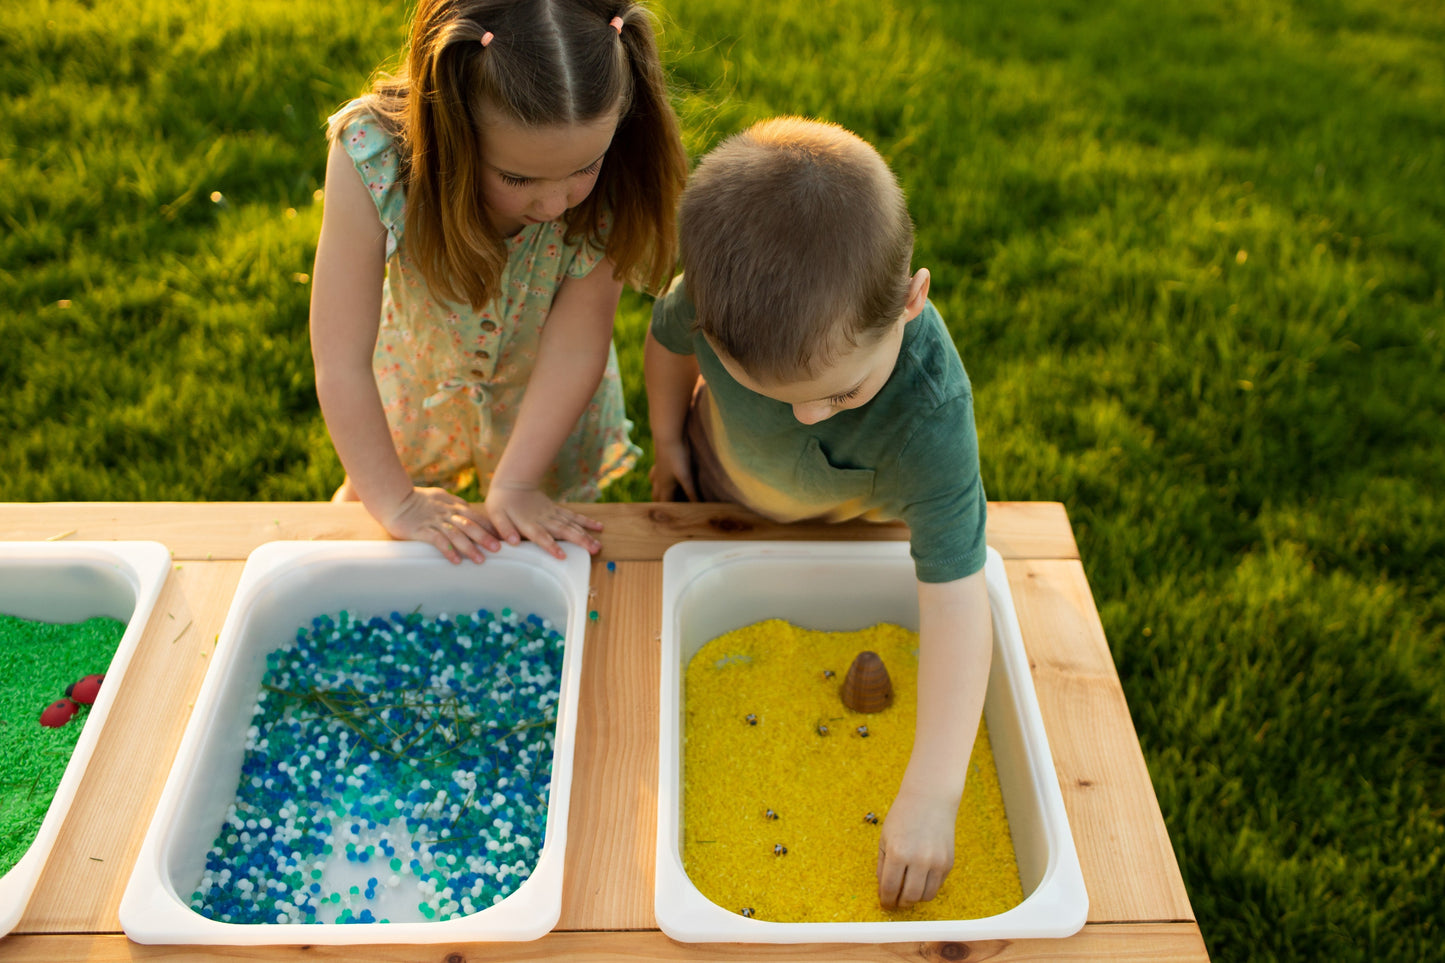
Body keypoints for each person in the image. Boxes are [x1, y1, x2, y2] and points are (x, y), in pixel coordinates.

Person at [645, 117, 993, 911]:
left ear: (911, 300)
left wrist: (934, 795)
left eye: (840, 394)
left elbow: (957, 598)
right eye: (778, 394)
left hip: (857, 527)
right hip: (721, 494)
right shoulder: (706, 301)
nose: (812, 417)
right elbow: (666, 345)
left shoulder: (931, 418)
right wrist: (667, 437)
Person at [310, 0, 686, 564]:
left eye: (586, 166)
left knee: (523, 525)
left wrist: (516, 484)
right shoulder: (375, 154)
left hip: (540, 398)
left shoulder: (619, 169)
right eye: (518, 176)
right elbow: (339, 359)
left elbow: (576, 344)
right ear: (451, 135)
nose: (558, 202)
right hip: (419, 381)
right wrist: (396, 502)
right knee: (370, 513)